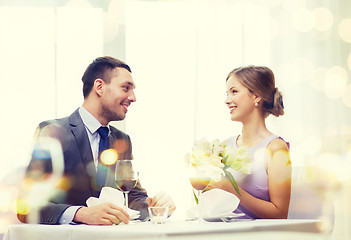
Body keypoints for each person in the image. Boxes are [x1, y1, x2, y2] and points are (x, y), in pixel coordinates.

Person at [17, 56, 176, 225]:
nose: (133, 97)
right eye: (125, 88)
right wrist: (80, 213)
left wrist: (157, 207)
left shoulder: (122, 139)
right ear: (99, 87)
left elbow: (132, 196)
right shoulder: (51, 132)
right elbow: (26, 207)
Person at [207, 65, 291, 219]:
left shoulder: (275, 148)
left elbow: (280, 214)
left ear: (256, 96)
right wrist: (201, 183)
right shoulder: (224, 146)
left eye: (234, 91)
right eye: (227, 93)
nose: (227, 100)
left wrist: (233, 191)